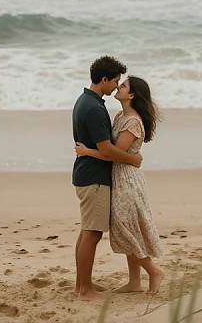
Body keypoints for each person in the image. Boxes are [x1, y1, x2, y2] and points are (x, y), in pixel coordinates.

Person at [75, 76, 163, 295]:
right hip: (118, 177)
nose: (118, 87)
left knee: (126, 229)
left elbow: (117, 154)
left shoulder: (132, 121)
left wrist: (88, 152)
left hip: (127, 180)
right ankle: (135, 282)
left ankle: (153, 272)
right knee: (129, 227)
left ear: (131, 95)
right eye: (118, 82)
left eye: (123, 85)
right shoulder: (120, 116)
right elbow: (114, 151)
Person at [72, 56, 143, 301]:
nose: (116, 86)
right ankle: (84, 289)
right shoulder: (93, 108)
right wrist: (133, 160)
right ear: (104, 79)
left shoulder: (86, 100)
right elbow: (105, 149)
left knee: (86, 232)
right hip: (94, 177)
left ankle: (83, 283)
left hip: (88, 173)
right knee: (91, 233)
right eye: (115, 81)